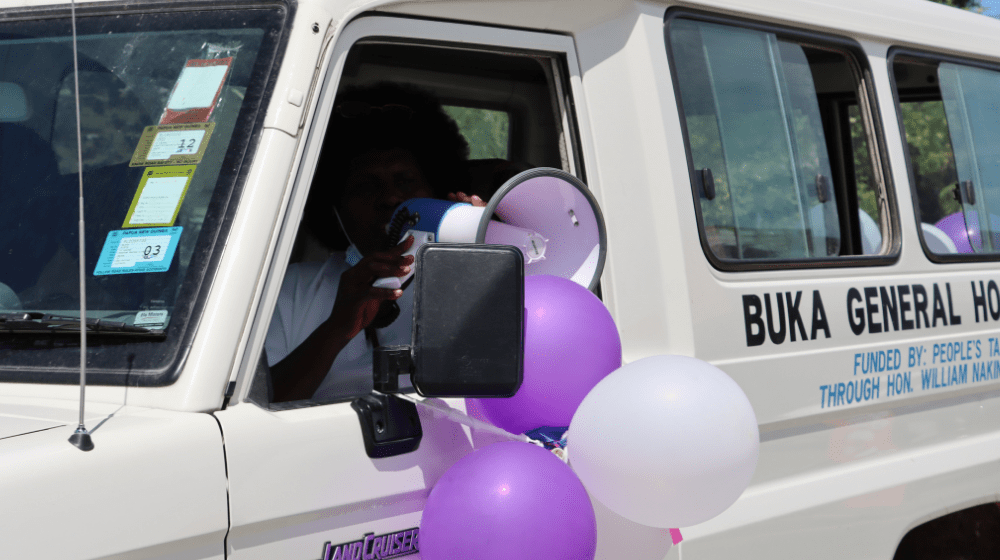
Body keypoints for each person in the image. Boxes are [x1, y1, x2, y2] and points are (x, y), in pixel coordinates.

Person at [265, 83, 484, 402]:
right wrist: (338, 328)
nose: (391, 198)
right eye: (367, 187)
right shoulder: (290, 290)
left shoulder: (473, 279)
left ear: (436, 189)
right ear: (334, 209)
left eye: (405, 181)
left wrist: (487, 255)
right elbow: (266, 405)